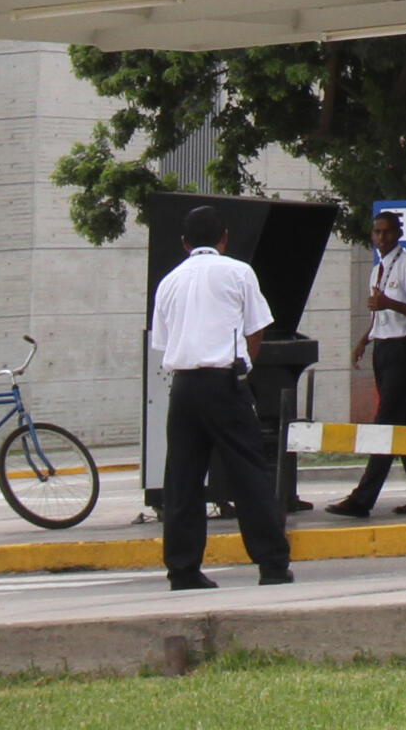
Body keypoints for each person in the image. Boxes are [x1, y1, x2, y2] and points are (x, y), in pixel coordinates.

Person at [148, 204, 294, 590]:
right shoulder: (238, 272)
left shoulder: (169, 282)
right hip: (225, 381)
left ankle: (183, 570)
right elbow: (257, 328)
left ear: (184, 243)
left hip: (182, 386)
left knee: (182, 480)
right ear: (224, 238)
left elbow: (161, 344)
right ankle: (272, 563)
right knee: (248, 472)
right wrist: (244, 367)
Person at [328, 210, 406, 518]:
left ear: (398, 234)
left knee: (385, 423)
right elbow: (379, 315)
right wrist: (365, 339)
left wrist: (390, 303)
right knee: (405, 421)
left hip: (404, 350)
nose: (381, 238)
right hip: (383, 349)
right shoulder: (376, 270)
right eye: (376, 232)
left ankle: (362, 498)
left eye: (387, 232)